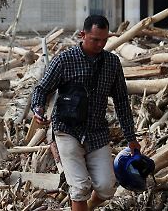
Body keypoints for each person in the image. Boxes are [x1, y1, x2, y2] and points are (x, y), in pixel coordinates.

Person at [31, 15, 140, 211]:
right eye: (95, 39)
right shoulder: (64, 60)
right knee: (80, 187)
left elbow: (122, 101)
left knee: (107, 187)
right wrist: (38, 108)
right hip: (67, 130)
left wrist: (131, 138)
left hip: (97, 132)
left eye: (104, 40)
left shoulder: (112, 63)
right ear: (83, 35)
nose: (100, 44)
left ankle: (86, 207)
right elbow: (42, 89)